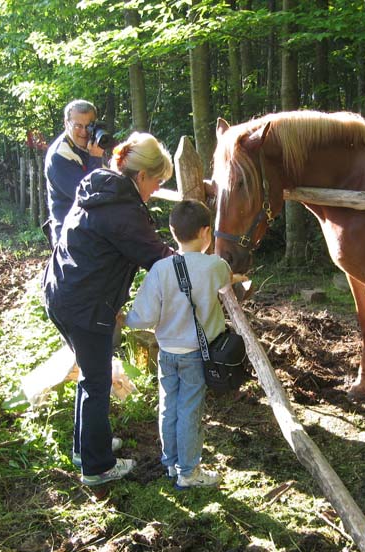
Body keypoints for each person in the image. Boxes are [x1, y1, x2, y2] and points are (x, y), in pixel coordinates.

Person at [42, 132, 175, 487]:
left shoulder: (99, 186)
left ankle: (87, 446)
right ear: (142, 175)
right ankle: (97, 466)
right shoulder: (123, 211)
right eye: (157, 182)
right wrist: (199, 265)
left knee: (91, 377)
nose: (156, 190)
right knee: (97, 381)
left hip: (61, 293)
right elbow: (159, 259)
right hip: (84, 306)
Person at [123, 200, 235, 490]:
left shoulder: (160, 269)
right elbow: (226, 284)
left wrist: (125, 319)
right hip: (197, 355)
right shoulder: (216, 266)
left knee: (168, 406)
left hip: (167, 353)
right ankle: (189, 471)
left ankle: (171, 462)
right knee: (190, 410)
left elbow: (144, 317)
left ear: (173, 233)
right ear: (206, 232)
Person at [44, 99, 106, 248]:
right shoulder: (59, 156)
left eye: (89, 126)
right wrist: (96, 159)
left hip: (91, 235)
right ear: (66, 123)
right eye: (78, 126)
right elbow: (88, 196)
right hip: (70, 241)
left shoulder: (91, 145)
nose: (84, 132)